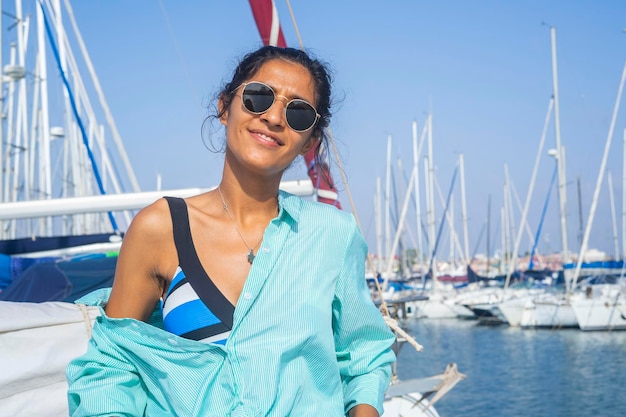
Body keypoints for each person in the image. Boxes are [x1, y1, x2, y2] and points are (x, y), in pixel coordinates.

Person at [66, 45, 396, 417]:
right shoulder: (161, 228)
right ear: (225, 107)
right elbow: (113, 365)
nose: (273, 118)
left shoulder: (332, 234)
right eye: (259, 97)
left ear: (311, 141)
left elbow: (364, 355)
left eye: (298, 112)